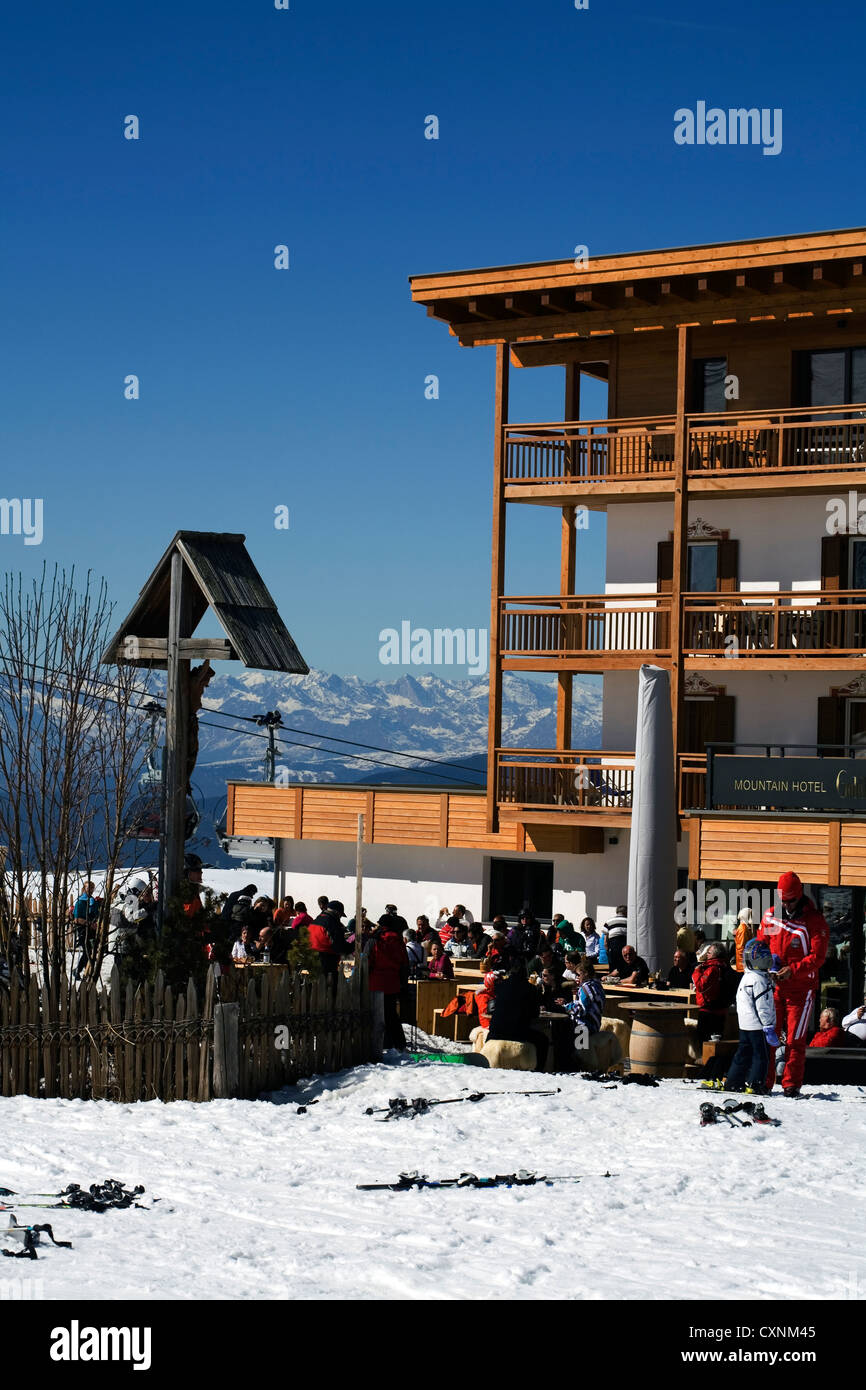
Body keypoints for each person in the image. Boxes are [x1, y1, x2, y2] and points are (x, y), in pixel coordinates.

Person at [758, 870, 830, 1096]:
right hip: (774, 987)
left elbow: (818, 957)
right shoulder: (771, 915)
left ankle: (790, 1084)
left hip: (801, 990)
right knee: (769, 1035)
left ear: (799, 896)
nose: (786, 905)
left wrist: (793, 970)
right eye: (783, 901)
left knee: (795, 1040)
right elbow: (760, 945)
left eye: (790, 901)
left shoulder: (814, 920)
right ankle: (765, 1081)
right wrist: (766, 966)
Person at [721, 937, 777, 1094]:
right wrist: (768, 1025)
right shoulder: (759, 980)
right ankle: (756, 1084)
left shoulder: (747, 977)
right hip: (758, 1025)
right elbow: (763, 1005)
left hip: (745, 1024)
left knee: (743, 1054)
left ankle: (733, 1081)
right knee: (761, 1056)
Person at [486, 960, 548, 1071]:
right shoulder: (531, 989)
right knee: (543, 1040)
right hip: (518, 1033)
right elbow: (535, 1014)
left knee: (490, 1033)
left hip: (496, 1032)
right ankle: (539, 1070)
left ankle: (484, 1062)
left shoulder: (500, 986)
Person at [365, 912, 408, 1051]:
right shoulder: (399, 941)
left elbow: (366, 961)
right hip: (393, 982)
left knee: (376, 1015)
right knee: (391, 1014)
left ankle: (379, 1044)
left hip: (375, 982)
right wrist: (403, 982)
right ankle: (398, 1044)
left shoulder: (374, 939)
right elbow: (404, 964)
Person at [692, 942, 736, 1044]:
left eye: (709, 952)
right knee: (717, 1041)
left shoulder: (712, 968)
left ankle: (706, 1059)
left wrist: (697, 971)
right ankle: (715, 1059)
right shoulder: (725, 967)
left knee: (704, 1041)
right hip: (721, 1010)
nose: (707, 954)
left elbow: (700, 985)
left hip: (708, 1010)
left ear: (715, 954)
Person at [310, 900, 350, 989]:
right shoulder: (332, 923)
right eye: (340, 915)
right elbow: (340, 947)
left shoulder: (316, 920)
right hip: (326, 961)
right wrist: (353, 941)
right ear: (337, 912)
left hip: (311, 960)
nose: (340, 918)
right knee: (333, 990)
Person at [72, 881, 100, 979]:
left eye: (92, 888)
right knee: (87, 950)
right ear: (84, 889)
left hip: (92, 930)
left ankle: (87, 970)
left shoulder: (93, 901)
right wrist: (88, 924)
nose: (91, 890)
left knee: (92, 951)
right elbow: (76, 919)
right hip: (82, 930)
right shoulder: (80, 902)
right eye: (89, 888)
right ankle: (78, 970)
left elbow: (97, 914)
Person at [602, 907, 628, 975]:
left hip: (613, 945)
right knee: (624, 966)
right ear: (626, 912)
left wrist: (607, 950)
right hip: (625, 944)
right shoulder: (629, 921)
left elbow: (605, 939)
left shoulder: (609, 921)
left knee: (613, 966)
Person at [733, 907, 755, 973]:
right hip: (743, 967)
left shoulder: (745, 927)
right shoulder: (743, 928)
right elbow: (741, 948)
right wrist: (745, 964)